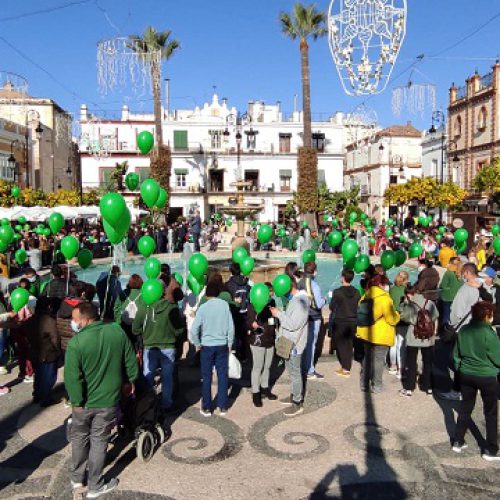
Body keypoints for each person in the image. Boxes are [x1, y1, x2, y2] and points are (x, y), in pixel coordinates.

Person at [65, 302, 138, 497]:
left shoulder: (76, 343)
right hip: (108, 400)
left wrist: (76, 401)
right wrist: (130, 381)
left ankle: (77, 478)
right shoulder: (117, 333)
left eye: (75, 319)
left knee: (79, 439)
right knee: (99, 441)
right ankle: (95, 484)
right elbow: (131, 360)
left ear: (86, 319)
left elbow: (72, 377)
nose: (73, 322)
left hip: (83, 403)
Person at [452, 301, 500, 461]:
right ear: (487, 316)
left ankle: (458, 441)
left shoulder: (464, 330)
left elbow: (456, 355)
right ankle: (491, 449)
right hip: (486, 376)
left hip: (466, 373)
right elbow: (497, 357)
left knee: (465, 407)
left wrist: (460, 368)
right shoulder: (488, 333)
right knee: (491, 412)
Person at [132, 275, 186, 413]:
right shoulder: (171, 307)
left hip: (150, 346)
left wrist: (144, 334)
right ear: (162, 292)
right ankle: (167, 403)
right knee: (167, 378)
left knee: (148, 375)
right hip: (168, 346)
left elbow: (135, 329)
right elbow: (179, 329)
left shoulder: (144, 308)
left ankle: (148, 402)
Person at [190, 282, 235, 417]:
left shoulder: (203, 308)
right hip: (222, 345)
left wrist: (197, 343)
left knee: (206, 377)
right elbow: (230, 327)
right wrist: (230, 343)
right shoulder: (225, 305)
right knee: (222, 375)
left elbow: (194, 329)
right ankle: (222, 406)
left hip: (207, 346)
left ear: (207, 294)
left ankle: (207, 407)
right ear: (218, 293)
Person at [271, 279, 309, 417]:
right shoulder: (296, 300)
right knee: (292, 372)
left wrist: (278, 314)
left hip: (294, 344)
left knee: (295, 372)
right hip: (288, 342)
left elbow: (293, 324)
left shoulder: (300, 302)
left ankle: (297, 403)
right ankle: (294, 395)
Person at [356, 274, 400, 394]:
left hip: (366, 333)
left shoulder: (366, 295)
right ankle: (377, 385)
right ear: (380, 285)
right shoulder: (385, 299)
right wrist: (397, 314)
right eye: (385, 284)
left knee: (367, 358)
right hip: (381, 335)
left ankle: (364, 383)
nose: (387, 286)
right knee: (378, 360)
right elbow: (392, 319)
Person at [398, 286, 439, 397]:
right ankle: (428, 387)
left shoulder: (410, 305)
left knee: (411, 363)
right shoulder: (430, 303)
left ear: (408, 294)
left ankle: (409, 388)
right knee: (428, 363)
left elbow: (403, 317)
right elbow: (435, 317)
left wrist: (404, 304)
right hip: (428, 338)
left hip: (413, 336)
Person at [247, 282, 277, 407]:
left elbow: (273, 320)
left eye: (271, 292)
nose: (271, 294)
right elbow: (249, 320)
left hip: (270, 338)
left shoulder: (272, 303)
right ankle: (256, 392)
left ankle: (265, 388)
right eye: (269, 292)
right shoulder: (252, 304)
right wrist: (252, 324)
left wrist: (274, 325)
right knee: (257, 367)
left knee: (268, 365)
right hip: (257, 340)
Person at [30, 297, 61, 407]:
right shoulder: (49, 320)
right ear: (48, 306)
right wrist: (58, 350)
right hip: (47, 353)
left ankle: (37, 394)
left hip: (34, 352)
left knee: (38, 375)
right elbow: (54, 338)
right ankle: (45, 398)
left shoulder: (31, 318)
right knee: (48, 377)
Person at [329, 269, 360, 377]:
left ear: (343, 278)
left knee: (341, 344)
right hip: (353, 320)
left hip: (341, 320)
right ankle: (346, 366)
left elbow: (332, 307)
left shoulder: (337, 292)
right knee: (349, 344)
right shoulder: (357, 292)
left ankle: (345, 368)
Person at [298, 261, 326, 380]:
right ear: (315, 272)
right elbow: (318, 304)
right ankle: (309, 370)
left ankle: (302, 367)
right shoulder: (315, 286)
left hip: (303, 316)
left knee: (303, 343)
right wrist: (324, 300)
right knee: (311, 344)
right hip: (314, 318)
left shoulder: (300, 283)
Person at [389, 271, 409, 377]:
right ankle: (401, 369)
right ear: (406, 280)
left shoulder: (391, 289)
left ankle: (392, 365)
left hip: (392, 318)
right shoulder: (406, 290)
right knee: (401, 345)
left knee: (393, 343)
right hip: (402, 318)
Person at [114, 274, 143, 346]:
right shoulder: (143, 293)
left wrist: (118, 322)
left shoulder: (124, 293)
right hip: (138, 324)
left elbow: (116, 308)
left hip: (124, 323)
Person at [439, 257, 463, 327]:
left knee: (445, 314)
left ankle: (444, 328)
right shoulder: (461, 273)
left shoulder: (448, 273)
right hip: (457, 297)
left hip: (447, 296)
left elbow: (443, 285)